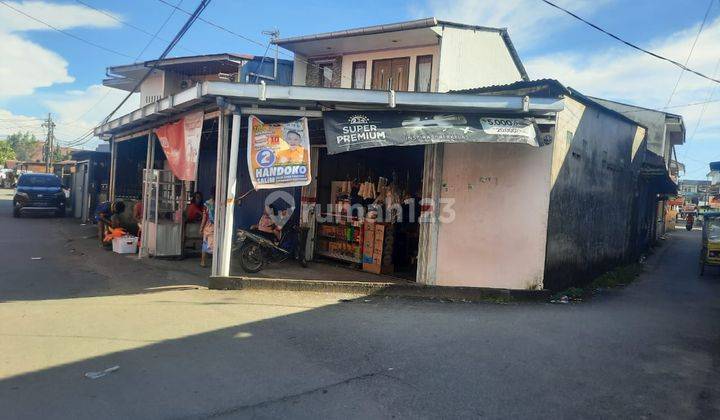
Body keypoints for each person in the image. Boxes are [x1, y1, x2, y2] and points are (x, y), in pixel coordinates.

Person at [200, 187, 215, 268]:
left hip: (208, 227)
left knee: (205, 244)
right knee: (215, 246)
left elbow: (204, 217)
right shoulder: (222, 203)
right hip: (217, 227)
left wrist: (201, 228)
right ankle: (215, 262)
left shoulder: (207, 204)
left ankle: (203, 261)